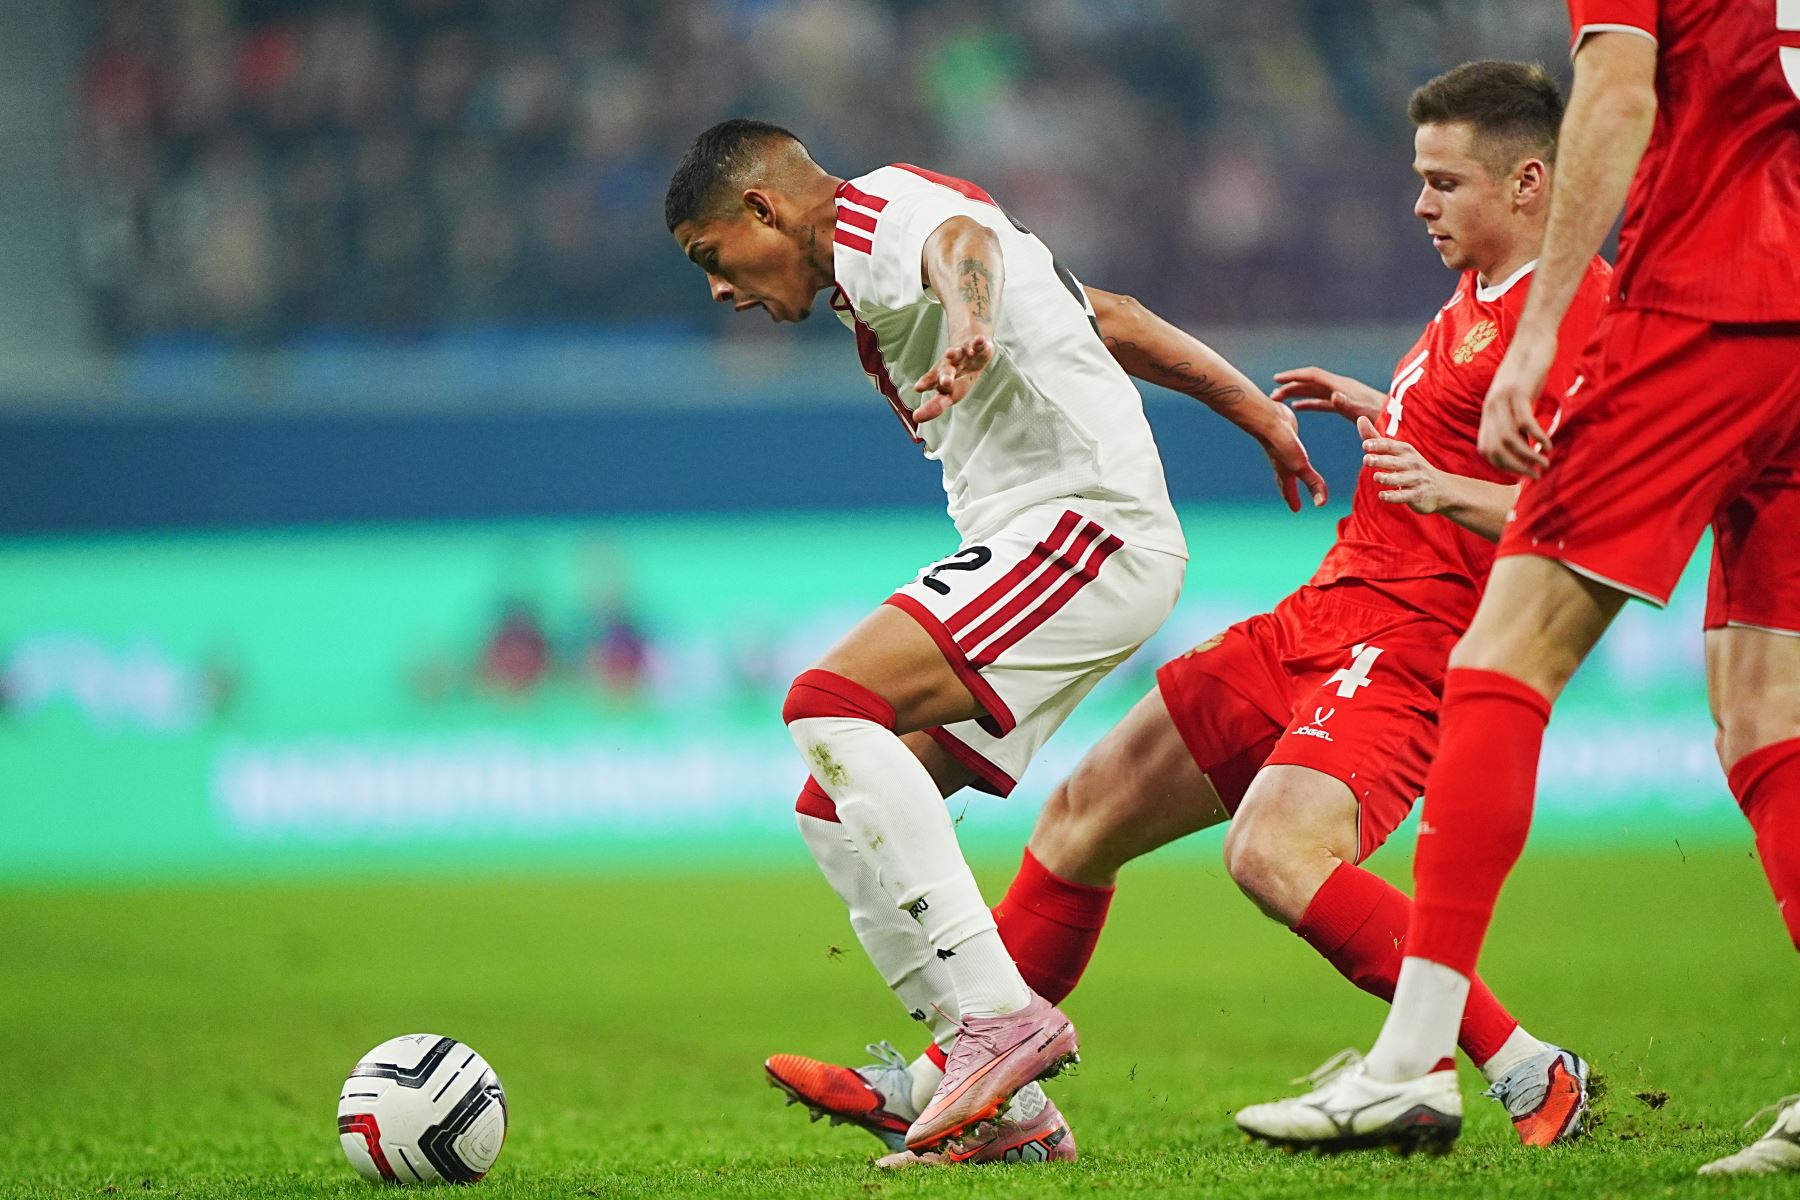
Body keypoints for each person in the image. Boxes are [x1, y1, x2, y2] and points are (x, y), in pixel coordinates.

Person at [767, 60, 1613, 1164]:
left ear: (1529, 183)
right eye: (1420, 179)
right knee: (1082, 820)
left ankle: (1527, 1066)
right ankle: (976, 1089)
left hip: (1411, 649)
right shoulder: (1475, 304)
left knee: (1273, 855)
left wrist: (1448, 488)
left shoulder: (1581, 315)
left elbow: (1599, 523)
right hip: (1315, 618)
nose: (1420, 204)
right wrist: (1385, 410)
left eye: (1444, 183)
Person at [664, 120, 1325, 1160]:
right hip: (1065, 538)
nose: (717, 290)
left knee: (825, 703)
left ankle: (997, 1021)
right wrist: (1255, 412)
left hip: (1082, 528)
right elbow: (1108, 314)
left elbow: (960, 245)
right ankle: (998, 1100)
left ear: (763, 210)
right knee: (836, 802)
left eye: (712, 260)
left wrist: (967, 318)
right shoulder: (875, 257)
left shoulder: (877, 217)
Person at [1233, 2, 1800, 1175]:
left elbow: (1621, 95)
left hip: (1714, 297)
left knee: (1499, 659)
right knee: (1768, 712)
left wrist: (1542, 331)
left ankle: (1414, 1059)